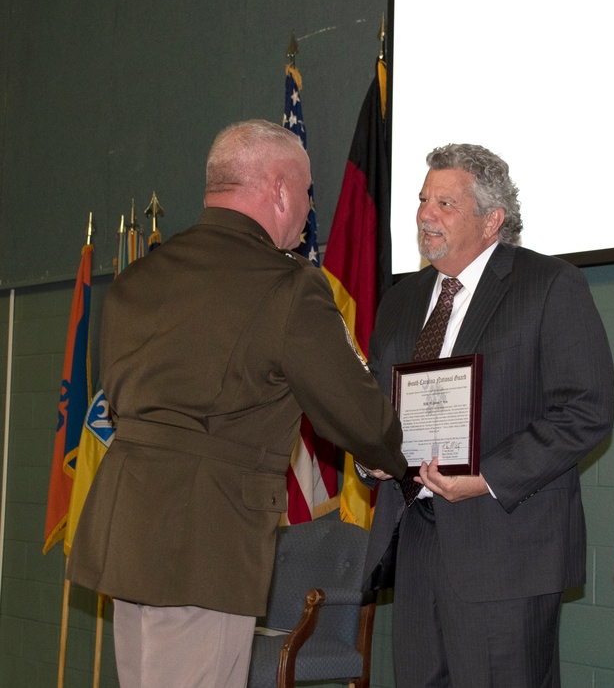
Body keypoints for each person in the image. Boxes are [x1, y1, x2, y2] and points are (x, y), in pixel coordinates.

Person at [67, 119, 407, 687]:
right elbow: (358, 415)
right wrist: (398, 459)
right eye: (304, 192)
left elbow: (124, 406)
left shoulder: (138, 279)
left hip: (127, 530)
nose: (305, 209)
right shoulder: (287, 286)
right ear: (277, 189)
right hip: (206, 539)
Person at [360, 143, 614, 687]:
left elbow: (585, 410)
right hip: (419, 539)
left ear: (492, 219)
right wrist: (373, 456)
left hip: (507, 545)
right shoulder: (401, 299)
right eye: (424, 199)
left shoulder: (548, 286)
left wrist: (489, 477)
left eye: (445, 203)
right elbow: (378, 407)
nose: (426, 214)